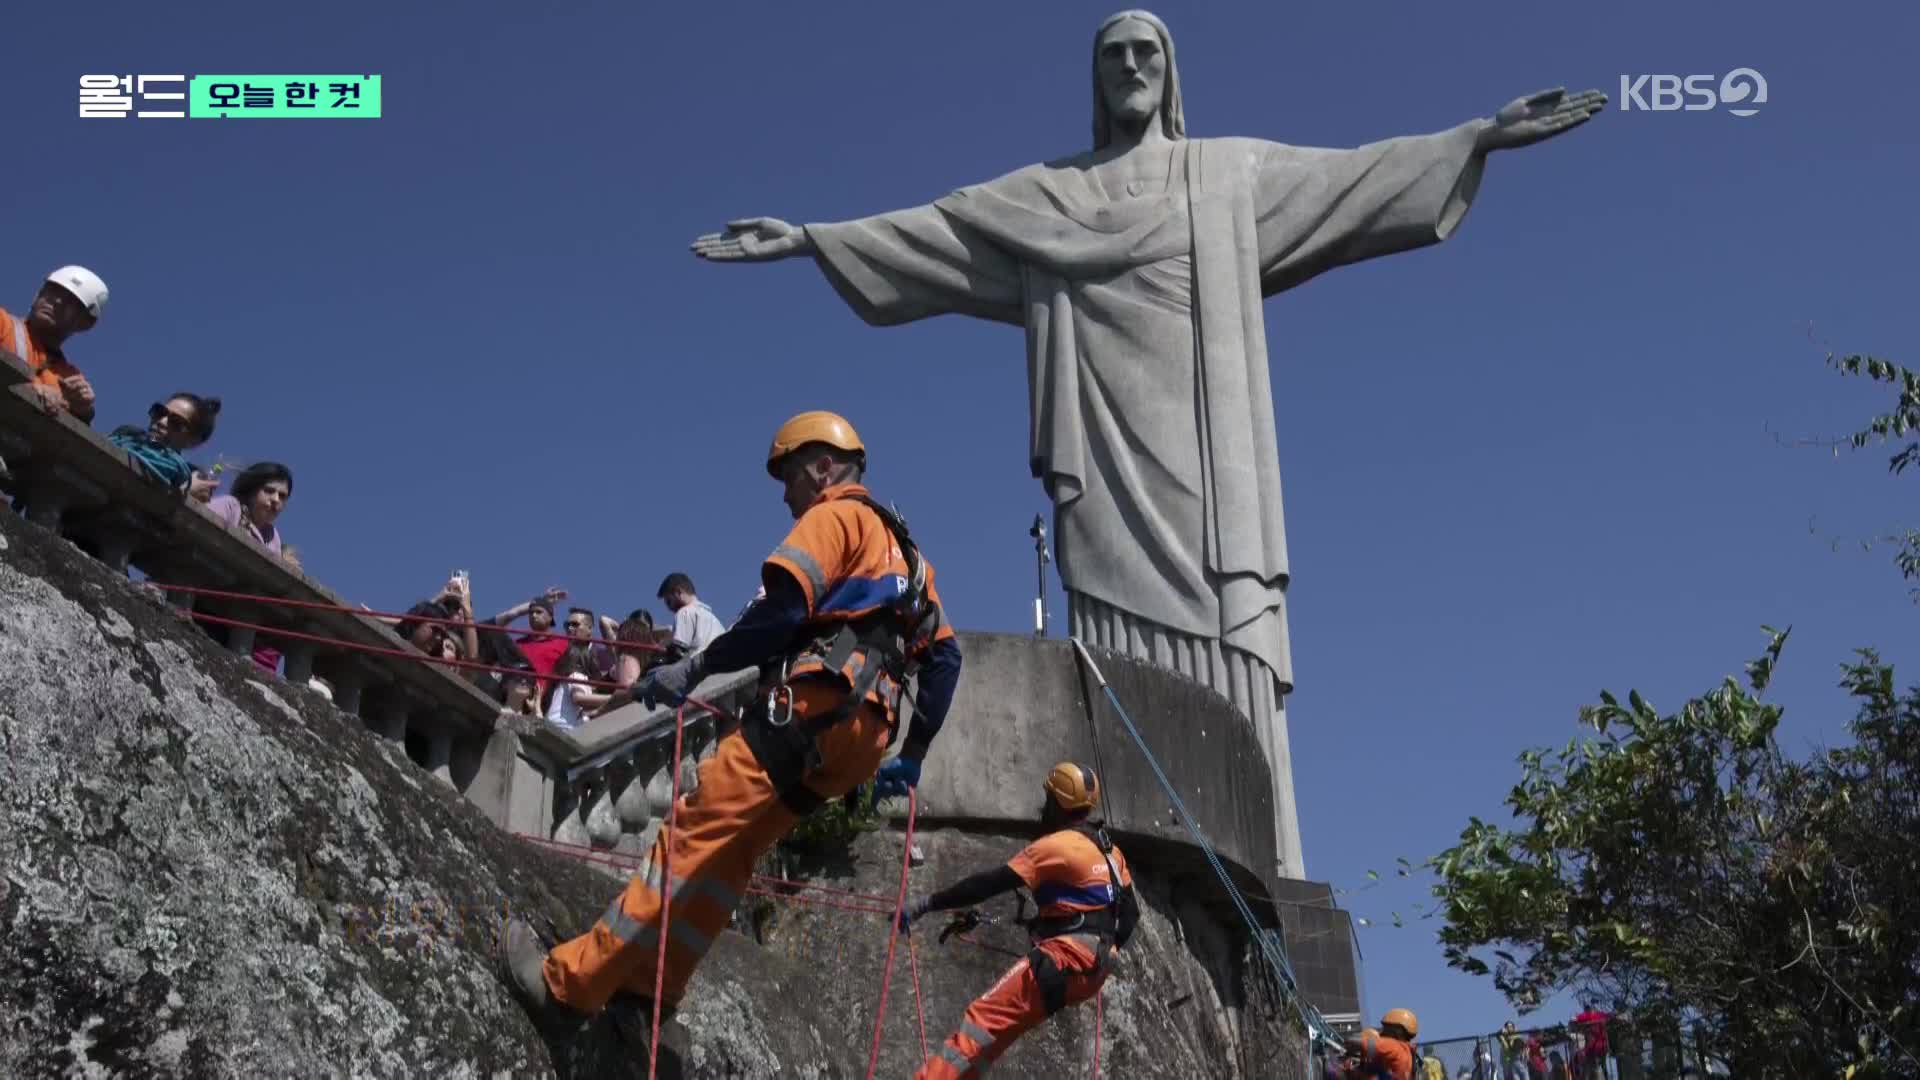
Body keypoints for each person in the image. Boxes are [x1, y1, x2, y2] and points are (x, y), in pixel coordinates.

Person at [501, 410, 964, 1053]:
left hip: (804, 711)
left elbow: (780, 614)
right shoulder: (912, 558)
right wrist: (912, 755)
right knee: (730, 861)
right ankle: (649, 1000)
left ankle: (564, 987)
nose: (785, 494)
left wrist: (695, 667)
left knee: (688, 843)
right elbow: (945, 660)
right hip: (860, 742)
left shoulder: (833, 519)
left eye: (788, 477)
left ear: (822, 467)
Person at [902, 762, 1135, 1079]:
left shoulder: (1054, 847)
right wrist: (1094, 948)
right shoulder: (1111, 852)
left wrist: (928, 903)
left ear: (1058, 803)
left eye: (1048, 799)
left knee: (979, 1022)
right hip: (1093, 971)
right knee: (993, 1039)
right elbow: (1128, 917)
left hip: (1063, 960)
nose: (1044, 807)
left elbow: (986, 884)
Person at [0, 266, 107, 424]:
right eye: (52, 291)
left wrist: (82, 410)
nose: (56, 301)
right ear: (38, 295)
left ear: (86, 323)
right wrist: (30, 389)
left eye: (70, 301)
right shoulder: (4, 324)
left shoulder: (69, 376)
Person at [107, 394, 221, 495]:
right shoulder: (125, 436)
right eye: (160, 412)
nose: (162, 422)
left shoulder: (186, 478)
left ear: (194, 440)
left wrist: (183, 493)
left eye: (176, 422)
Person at [656, 572, 725, 657]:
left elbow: (677, 652)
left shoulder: (684, 612)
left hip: (699, 666)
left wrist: (662, 648)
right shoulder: (714, 620)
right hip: (721, 664)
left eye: (668, 601)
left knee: (657, 670)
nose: (668, 608)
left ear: (678, 592)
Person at [1339, 1010, 1419, 1080]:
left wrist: (1348, 1042)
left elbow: (1369, 1044)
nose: (1382, 1032)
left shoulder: (1394, 1046)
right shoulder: (1407, 1053)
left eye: (1386, 1027)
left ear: (1399, 1031)